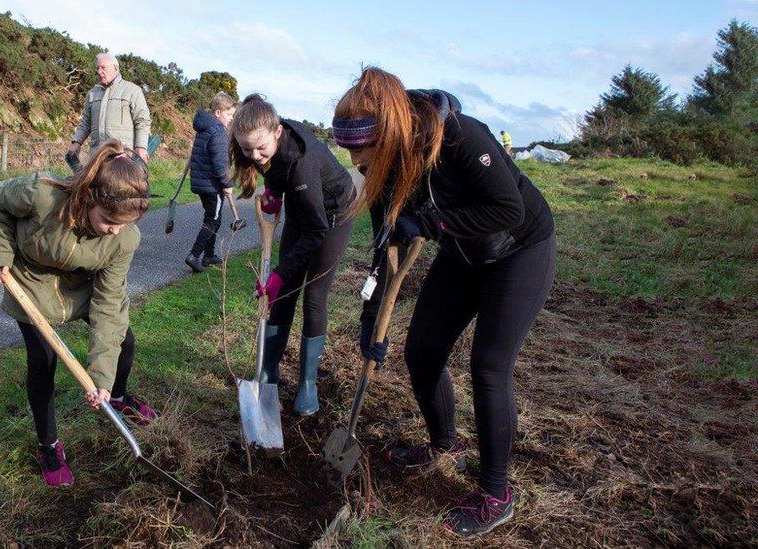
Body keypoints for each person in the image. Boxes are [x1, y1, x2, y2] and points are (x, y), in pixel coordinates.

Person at [333, 68, 555, 536]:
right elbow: (384, 252)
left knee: (489, 367)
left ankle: (496, 492)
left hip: (519, 249)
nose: (355, 159)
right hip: (462, 254)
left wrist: (432, 224)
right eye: (348, 148)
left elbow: (507, 209)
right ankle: (444, 445)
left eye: (360, 148)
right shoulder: (381, 169)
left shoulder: (459, 136)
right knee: (422, 352)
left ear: (389, 133)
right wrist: (371, 323)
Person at [0, 139, 159, 487]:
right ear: (89, 196)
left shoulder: (124, 239)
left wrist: (101, 380)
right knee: (43, 358)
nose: (114, 229)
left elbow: (109, 304)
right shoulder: (42, 195)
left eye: (123, 224)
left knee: (123, 340)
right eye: (109, 220)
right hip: (30, 285)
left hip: (80, 288)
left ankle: (119, 397)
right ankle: (48, 445)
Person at [229, 94, 356, 415]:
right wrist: (273, 192)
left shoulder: (301, 162)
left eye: (261, 148)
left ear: (277, 132)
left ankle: (308, 382)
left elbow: (317, 230)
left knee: (312, 295)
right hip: (305, 213)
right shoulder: (264, 143)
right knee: (283, 295)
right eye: (247, 149)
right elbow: (273, 169)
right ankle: (268, 371)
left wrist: (280, 273)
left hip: (334, 215)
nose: (255, 156)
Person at [67, 53, 152, 166]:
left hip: (123, 155)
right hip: (97, 156)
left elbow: (142, 121)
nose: (99, 71)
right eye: (97, 68)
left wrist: (141, 147)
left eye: (103, 67)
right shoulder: (92, 93)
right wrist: (76, 142)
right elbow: (85, 122)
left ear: (115, 68)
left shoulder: (133, 90)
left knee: (121, 184)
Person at [185, 92, 237, 272]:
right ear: (218, 112)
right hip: (212, 185)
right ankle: (194, 255)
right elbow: (219, 162)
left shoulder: (204, 128)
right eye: (229, 114)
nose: (231, 119)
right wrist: (227, 184)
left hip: (201, 183)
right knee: (212, 220)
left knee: (215, 218)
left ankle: (209, 255)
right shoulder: (218, 131)